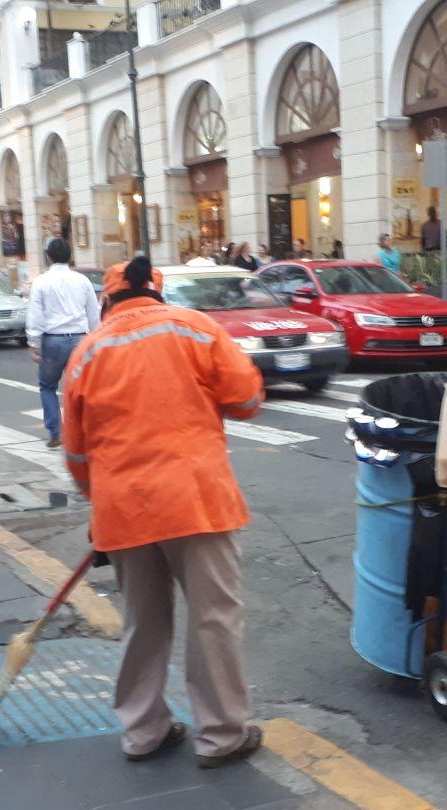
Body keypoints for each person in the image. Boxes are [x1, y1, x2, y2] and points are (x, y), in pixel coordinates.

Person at [62, 254, 265, 769]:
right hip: (196, 500)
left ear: (107, 300)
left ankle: (142, 731)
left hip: (123, 509)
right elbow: (246, 400)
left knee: (143, 623)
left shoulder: (86, 353)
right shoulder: (196, 329)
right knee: (213, 619)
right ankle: (221, 736)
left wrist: (97, 501)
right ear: (157, 291)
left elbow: (77, 452)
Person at [25, 237, 100, 449]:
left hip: (53, 340)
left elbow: (35, 315)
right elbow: (93, 312)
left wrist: (34, 343)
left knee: (47, 386)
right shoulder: (82, 281)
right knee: (80, 388)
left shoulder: (41, 281)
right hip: (80, 338)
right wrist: (95, 337)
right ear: (70, 256)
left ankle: (56, 432)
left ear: (48, 257)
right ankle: (85, 430)